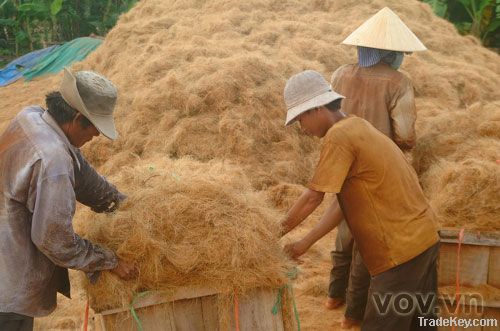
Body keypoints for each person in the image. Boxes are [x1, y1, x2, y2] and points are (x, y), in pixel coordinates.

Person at [281, 70, 439, 331]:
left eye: (300, 120)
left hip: (400, 252)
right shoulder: (358, 125)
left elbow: (313, 197)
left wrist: (272, 232)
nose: (303, 129)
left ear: (315, 109)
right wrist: (302, 244)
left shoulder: (339, 136)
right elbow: (340, 205)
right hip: (423, 240)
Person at [0, 68, 138, 331]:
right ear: (76, 119)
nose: (96, 136)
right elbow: (55, 239)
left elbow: (82, 175)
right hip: (7, 286)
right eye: (94, 129)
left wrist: (121, 204)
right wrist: (110, 260)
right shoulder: (53, 160)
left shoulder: (31, 116)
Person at [326, 7, 427, 328]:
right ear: (390, 53)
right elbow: (406, 135)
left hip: (342, 162)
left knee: (343, 227)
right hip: (379, 170)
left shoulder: (340, 73)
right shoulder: (399, 81)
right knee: (369, 236)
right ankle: (354, 314)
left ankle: (332, 294)